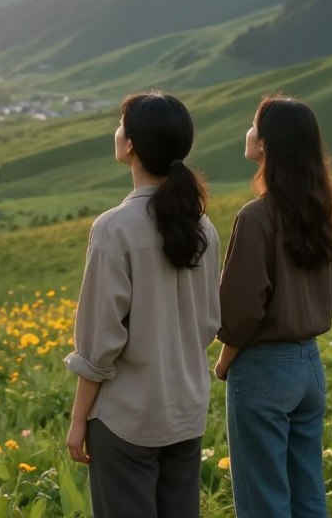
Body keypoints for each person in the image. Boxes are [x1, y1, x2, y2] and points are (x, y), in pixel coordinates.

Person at [64, 91, 222, 518]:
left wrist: (79, 419)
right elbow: (209, 324)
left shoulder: (114, 229)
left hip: (126, 419)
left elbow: (98, 345)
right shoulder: (203, 225)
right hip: (185, 412)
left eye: (121, 125)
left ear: (130, 144)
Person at [213, 96, 332, 517]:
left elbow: (242, 310)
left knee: (262, 499)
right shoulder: (320, 213)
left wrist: (223, 361)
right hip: (309, 365)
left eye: (254, 125)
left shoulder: (256, 217)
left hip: (262, 367)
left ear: (267, 144)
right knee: (308, 492)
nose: (248, 132)